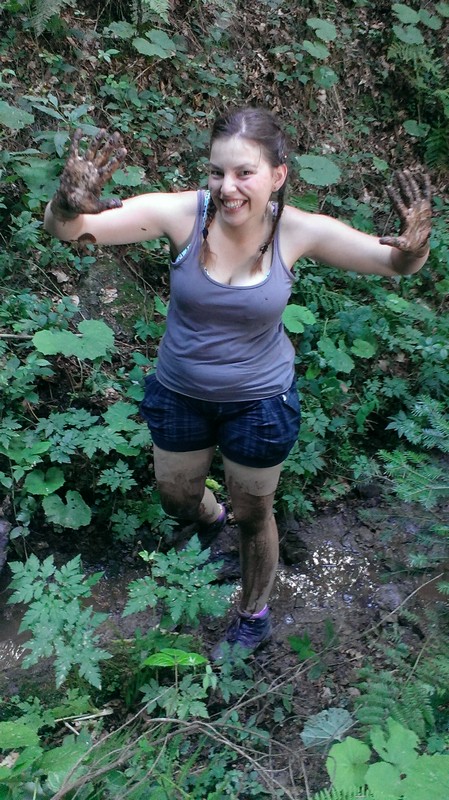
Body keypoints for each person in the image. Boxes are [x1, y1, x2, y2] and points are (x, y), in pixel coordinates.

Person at [44, 107, 431, 659]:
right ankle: (211, 519)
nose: (227, 187)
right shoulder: (182, 214)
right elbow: (70, 230)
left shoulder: (296, 230)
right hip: (179, 393)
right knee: (178, 498)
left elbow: (394, 263)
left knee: (254, 513)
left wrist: (415, 249)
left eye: (244, 173)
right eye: (217, 172)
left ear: (278, 175)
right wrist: (65, 205)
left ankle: (254, 616)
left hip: (260, 402)